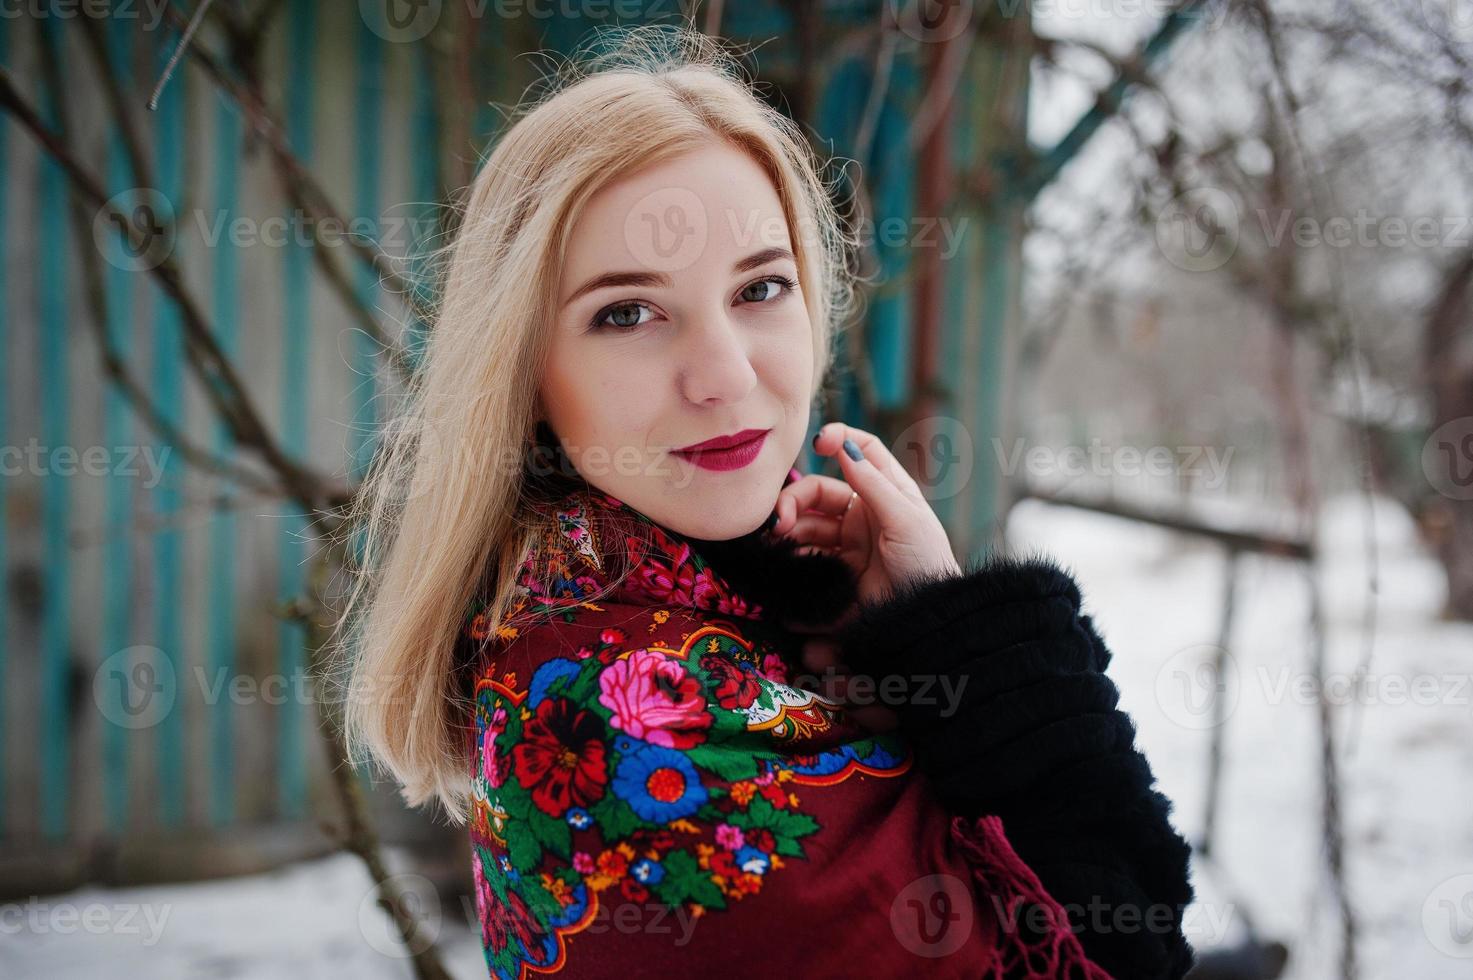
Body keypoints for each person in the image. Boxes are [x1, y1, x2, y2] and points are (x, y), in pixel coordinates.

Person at [335, 24, 1196, 980]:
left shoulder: (725, 609)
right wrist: (991, 666)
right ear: (524, 370)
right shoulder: (617, 719)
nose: (724, 374)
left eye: (761, 287)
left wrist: (923, 634)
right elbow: (1112, 950)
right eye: (627, 311)